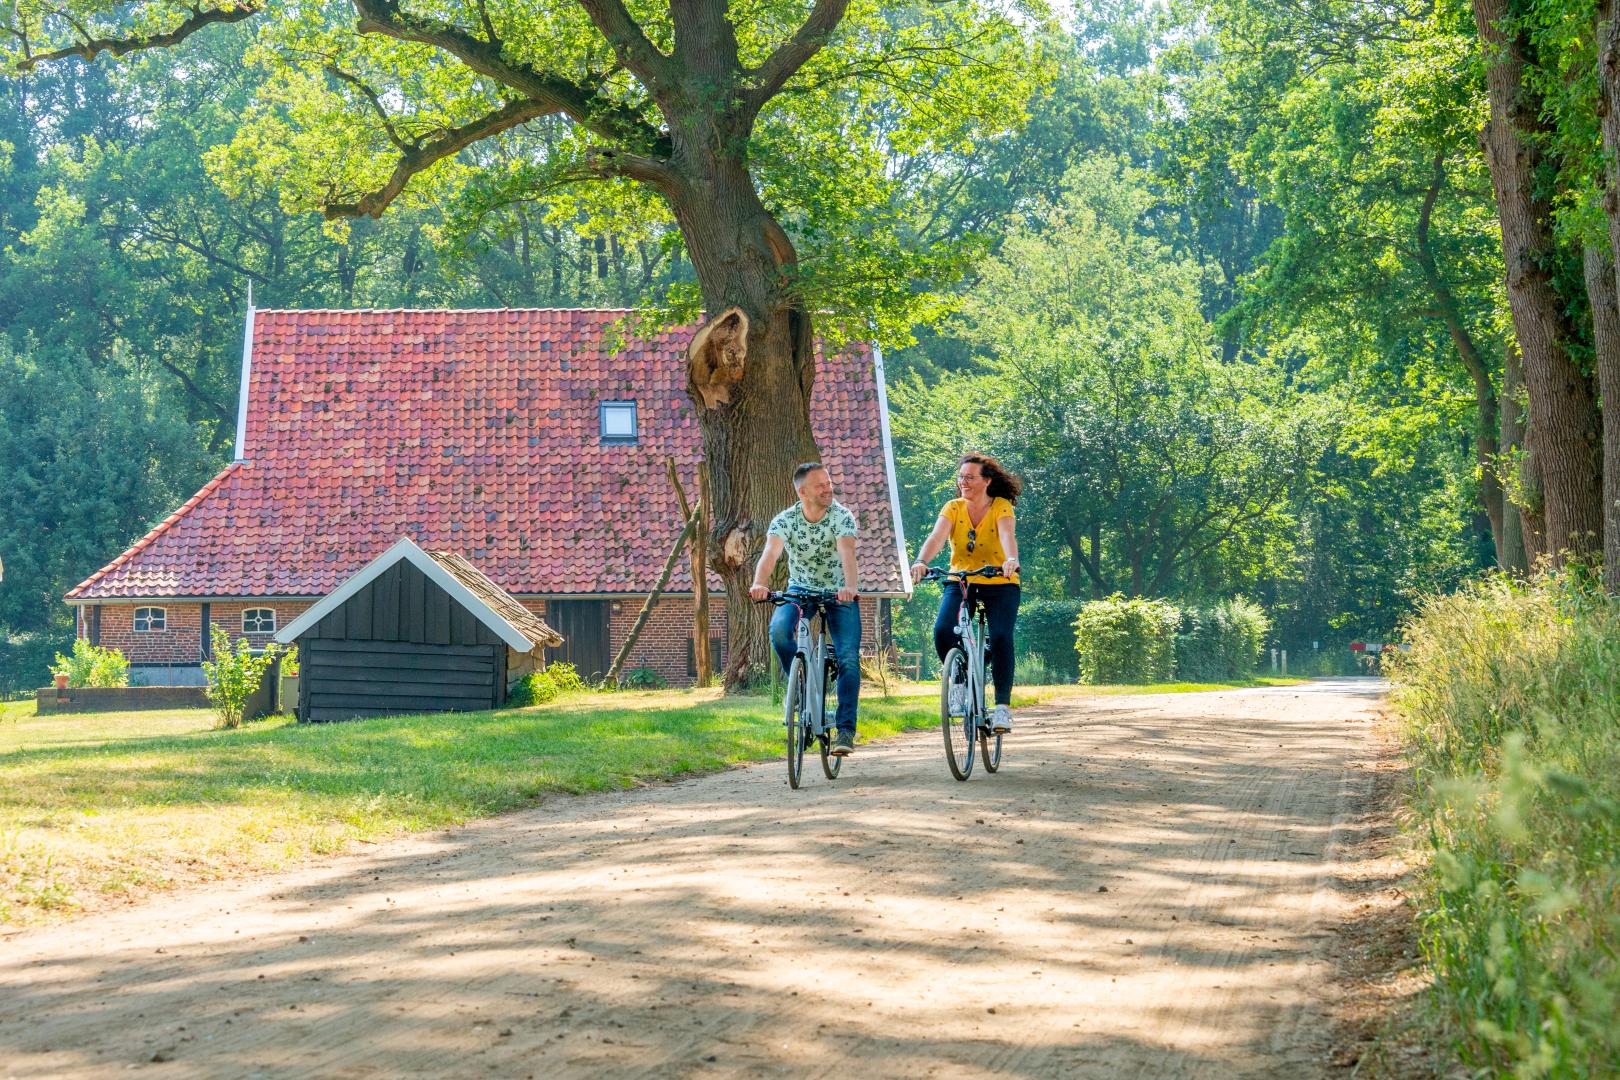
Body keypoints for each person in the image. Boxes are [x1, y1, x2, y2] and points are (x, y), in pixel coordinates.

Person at [749, 462, 863, 755]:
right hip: (800, 590)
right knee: (779, 630)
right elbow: (770, 554)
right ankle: (799, 686)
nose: (828, 489)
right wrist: (760, 583)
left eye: (828, 483)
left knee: (848, 658)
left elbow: (847, 552)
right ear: (803, 492)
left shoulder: (841, 516)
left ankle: (846, 730)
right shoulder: (785, 520)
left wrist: (850, 587)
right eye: (820, 485)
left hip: (839, 593)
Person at [909, 453, 1022, 733]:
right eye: (961, 477)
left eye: (970, 477)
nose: (963, 482)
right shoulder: (953, 507)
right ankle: (959, 681)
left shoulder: (1001, 506)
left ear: (987, 481)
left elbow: (1007, 535)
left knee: (1000, 637)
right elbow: (936, 537)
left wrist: (1010, 560)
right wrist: (921, 561)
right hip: (962, 580)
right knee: (943, 630)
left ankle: (1002, 709)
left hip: (1000, 581)